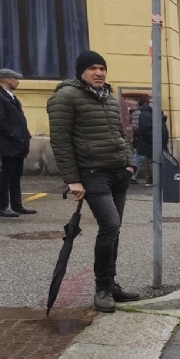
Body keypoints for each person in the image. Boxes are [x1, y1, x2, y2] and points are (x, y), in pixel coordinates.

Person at [47, 51, 141, 313]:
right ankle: (101, 288)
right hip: (92, 173)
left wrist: (129, 162)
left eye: (102, 68)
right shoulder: (65, 97)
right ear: (81, 72)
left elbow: (121, 134)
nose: (99, 73)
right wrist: (73, 180)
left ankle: (111, 285)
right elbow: (60, 141)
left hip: (118, 172)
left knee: (115, 228)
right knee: (109, 223)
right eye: (92, 68)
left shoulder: (109, 99)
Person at [0, 68, 34, 218]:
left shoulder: (11, 96)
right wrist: (14, 135)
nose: (17, 81)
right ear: (8, 80)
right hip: (8, 143)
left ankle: (17, 205)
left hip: (18, 143)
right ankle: (4, 207)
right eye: (15, 78)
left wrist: (25, 135)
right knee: (7, 175)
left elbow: (18, 119)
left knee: (16, 175)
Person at [134, 99, 167, 185]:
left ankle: (151, 180)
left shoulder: (154, 113)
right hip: (151, 143)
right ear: (150, 103)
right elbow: (147, 130)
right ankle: (156, 181)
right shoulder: (146, 114)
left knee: (151, 161)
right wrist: (155, 140)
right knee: (153, 161)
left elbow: (158, 125)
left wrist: (163, 118)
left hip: (155, 142)